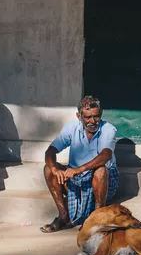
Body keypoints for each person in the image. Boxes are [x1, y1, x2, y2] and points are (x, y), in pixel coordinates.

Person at [41, 96, 120, 233]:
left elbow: (105, 155)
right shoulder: (71, 128)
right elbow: (51, 151)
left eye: (96, 116)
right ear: (79, 116)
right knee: (48, 169)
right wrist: (55, 169)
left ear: (100, 115)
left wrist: (80, 169)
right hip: (77, 179)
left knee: (100, 170)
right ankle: (63, 216)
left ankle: (97, 219)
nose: (93, 121)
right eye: (87, 117)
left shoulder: (109, 129)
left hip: (102, 181)